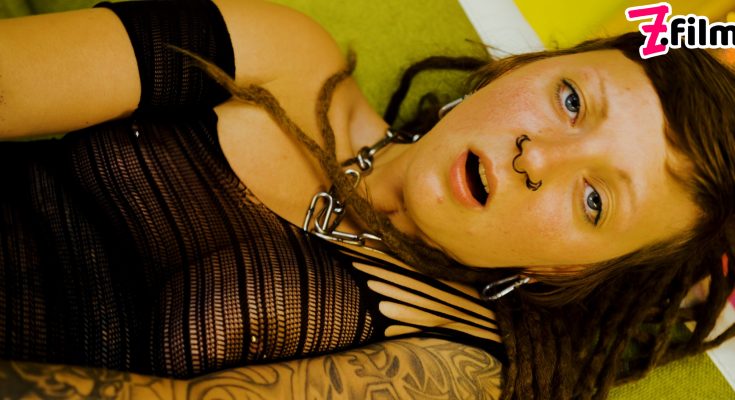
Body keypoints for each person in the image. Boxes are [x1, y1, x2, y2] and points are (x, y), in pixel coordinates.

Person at [0, 0, 733, 399]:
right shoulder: (285, 56)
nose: (537, 156)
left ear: (569, 272)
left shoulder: (454, 361)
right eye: (570, 100)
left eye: (594, 201)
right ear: (522, 68)